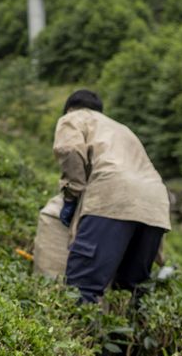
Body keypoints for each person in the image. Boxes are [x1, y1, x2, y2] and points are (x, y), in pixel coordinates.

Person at [54, 89, 170, 304]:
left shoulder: (73, 118)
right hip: (155, 205)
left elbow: (69, 148)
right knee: (130, 290)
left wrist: (72, 195)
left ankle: (74, 336)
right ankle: (128, 335)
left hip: (114, 197)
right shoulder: (122, 128)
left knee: (82, 286)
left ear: (70, 108)